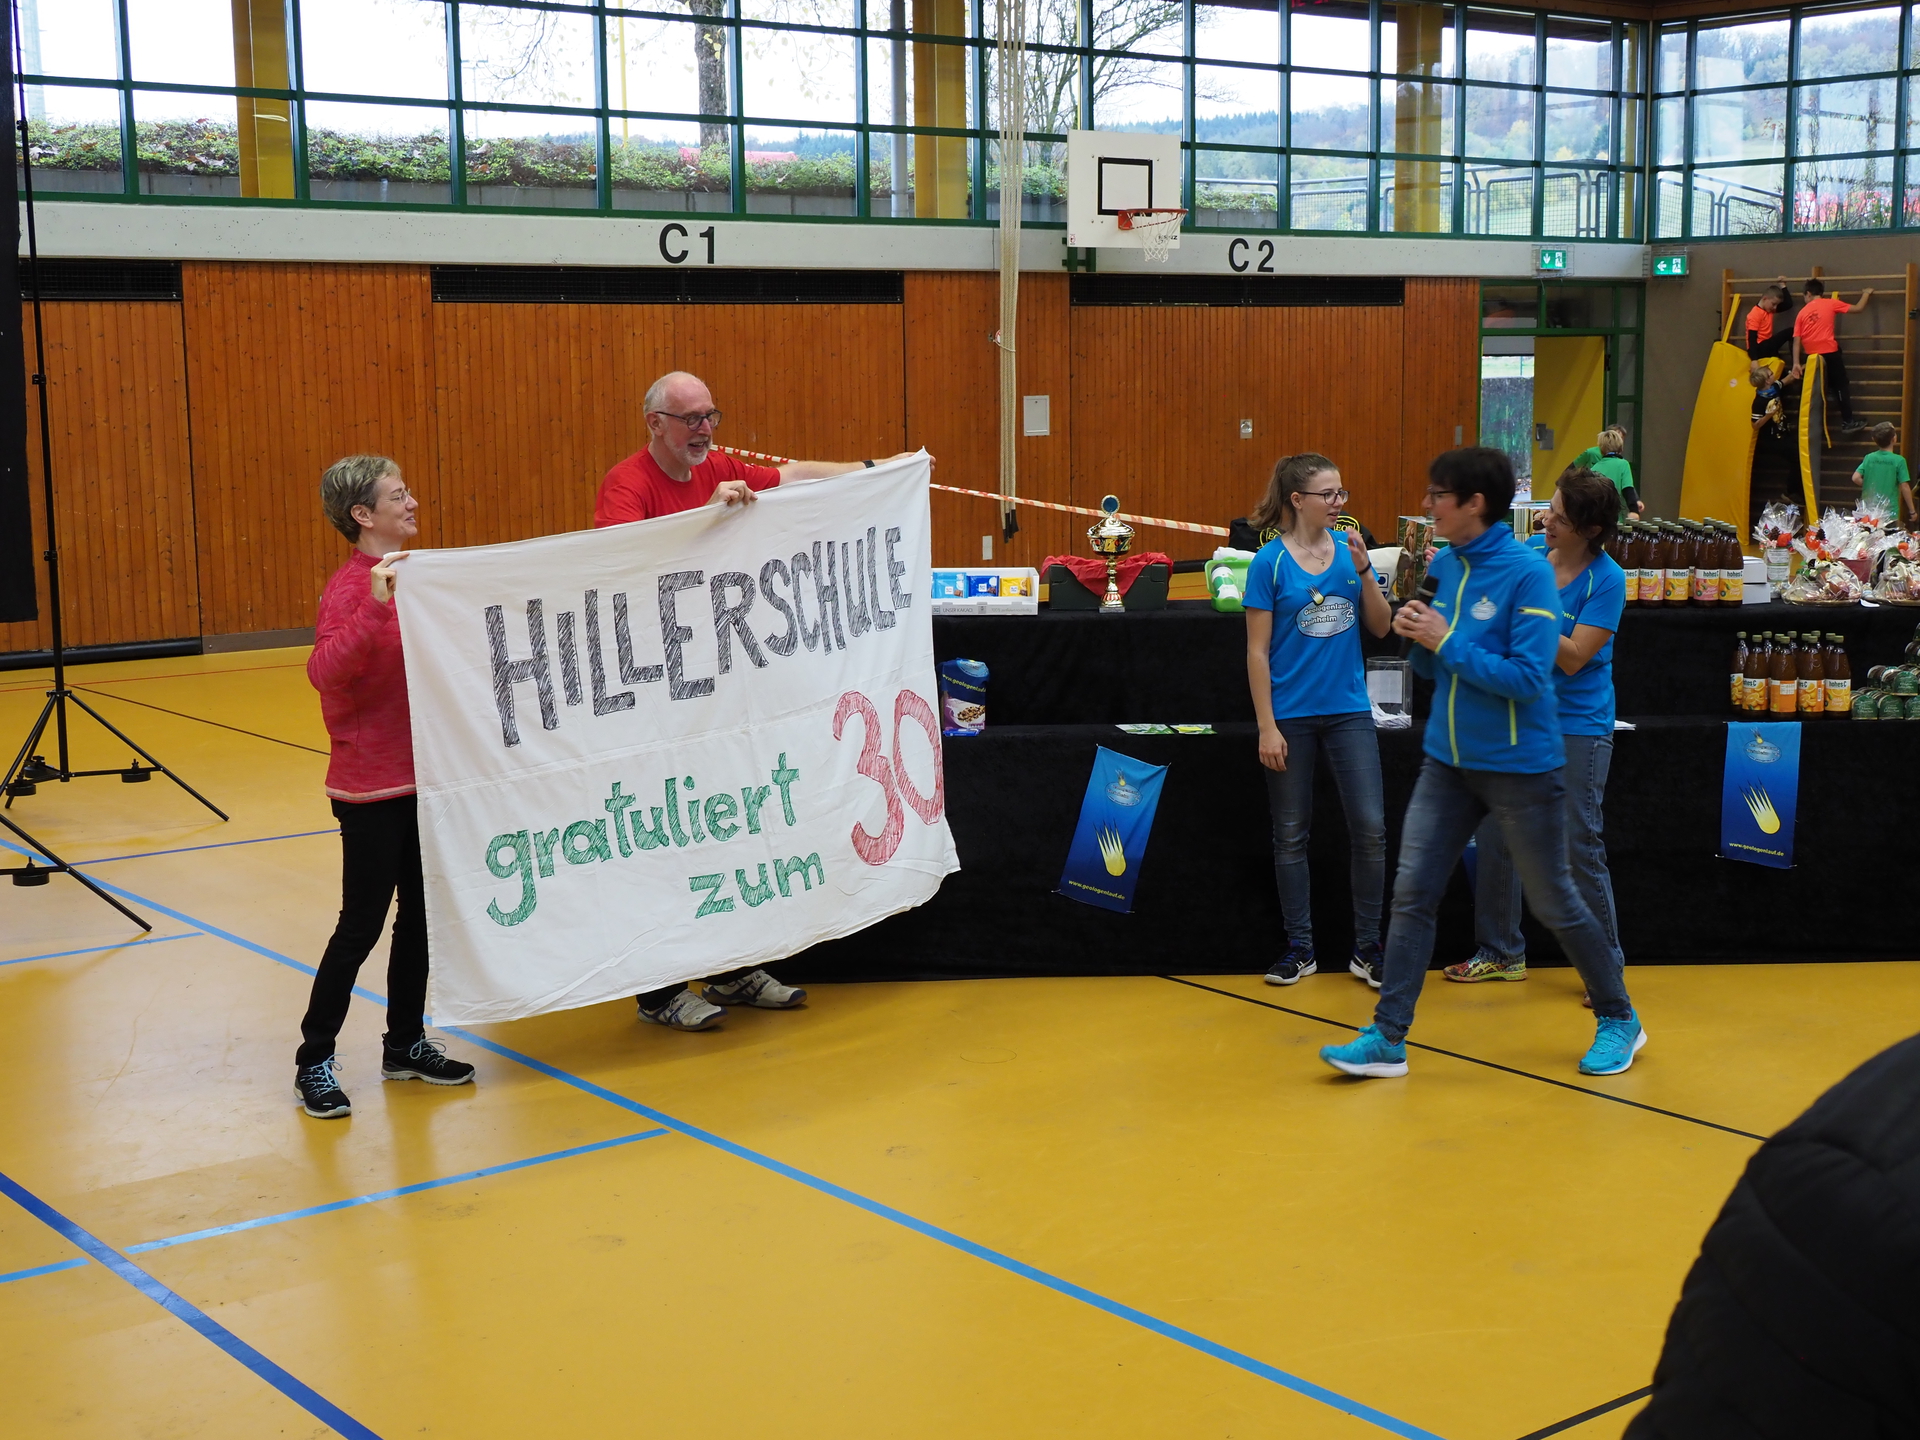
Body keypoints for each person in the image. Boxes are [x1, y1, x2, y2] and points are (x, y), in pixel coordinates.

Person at [594, 369, 915, 1032]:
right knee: (669, 837)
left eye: (711, 415)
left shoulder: (720, 467)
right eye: (691, 419)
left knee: (732, 826)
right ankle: (658, 992)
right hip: (660, 696)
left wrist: (876, 469)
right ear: (655, 423)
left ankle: (733, 967)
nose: (705, 430)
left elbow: (793, 476)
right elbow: (619, 563)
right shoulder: (627, 483)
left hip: (722, 691)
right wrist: (708, 517)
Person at [1318, 448, 1645, 1081]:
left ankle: (1617, 1014)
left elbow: (1527, 678)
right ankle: (1388, 1036)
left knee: (1557, 901)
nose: (1426, 505)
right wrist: (1418, 639)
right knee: (1413, 894)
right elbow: (1432, 668)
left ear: (1474, 504)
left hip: (1521, 762)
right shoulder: (1443, 565)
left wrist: (1445, 638)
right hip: (1448, 758)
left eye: (1438, 495)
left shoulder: (1529, 575)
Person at [296, 455, 476, 1120]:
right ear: (362, 514)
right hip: (369, 788)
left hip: (424, 777)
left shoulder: (418, 577)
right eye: (398, 495)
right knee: (360, 926)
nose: (412, 502)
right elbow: (324, 672)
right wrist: (374, 606)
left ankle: (404, 1044)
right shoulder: (352, 588)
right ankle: (314, 1059)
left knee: (420, 919)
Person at [1444, 467, 1628, 1000]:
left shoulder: (1607, 580)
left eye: (1560, 518)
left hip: (1577, 726)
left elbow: (1573, 657)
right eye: (1549, 508)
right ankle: (1501, 952)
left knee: (1577, 844)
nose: (1546, 521)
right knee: (1496, 835)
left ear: (1591, 530)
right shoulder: (1528, 553)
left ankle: (1606, 968)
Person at [1241, 453, 1393, 987]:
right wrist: (1267, 726)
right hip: (1291, 716)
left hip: (1349, 712)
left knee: (1371, 830)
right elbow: (1257, 652)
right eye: (1328, 494)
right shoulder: (1269, 564)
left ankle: (1368, 947)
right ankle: (1300, 947)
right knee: (1290, 835)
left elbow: (1381, 627)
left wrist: (1365, 570)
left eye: (1341, 493)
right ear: (1297, 500)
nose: (1338, 503)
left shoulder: (1351, 553)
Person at [1790, 277, 1873, 432]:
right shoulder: (1830, 303)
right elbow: (1858, 308)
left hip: (1812, 356)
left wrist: (1796, 363)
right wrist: (1866, 293)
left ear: (1808, 294)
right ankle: (1848, 421)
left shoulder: (1802, 313)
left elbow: (1796, 341)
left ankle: (1827, 391)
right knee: (1841, 385)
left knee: (1817, 385)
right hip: (1829, 352)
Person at [1851, 422, 1915, 527]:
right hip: (1889, 511)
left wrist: (1869, 485)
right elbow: (1904, 486)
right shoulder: (1899, 461)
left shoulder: (1869, 458)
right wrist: (1912, 511)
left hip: (1868, 510)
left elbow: (1855, 478)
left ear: (1874, 439)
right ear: (1894, 439)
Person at [1573, 425, 1642, 517]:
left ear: (1601, 450)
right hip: (1615, 517)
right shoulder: (1623, 464)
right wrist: (1634, 510)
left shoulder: (1594, 468)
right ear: (1621, 447)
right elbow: (1628, 489)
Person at [1744, 280, 1794, 363]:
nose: (1775, 307)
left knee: (1779, 364)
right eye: (1773, 304)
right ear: (1765, 299)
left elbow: (1788, 304)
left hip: (1767, 346)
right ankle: (1796, 363)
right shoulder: (1755, 314)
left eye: (1776, 305)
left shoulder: (1769, 310)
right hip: (1758, 348)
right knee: (1791, 331)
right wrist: (1754, 360)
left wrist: (1783, 286)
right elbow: (1751, 338)